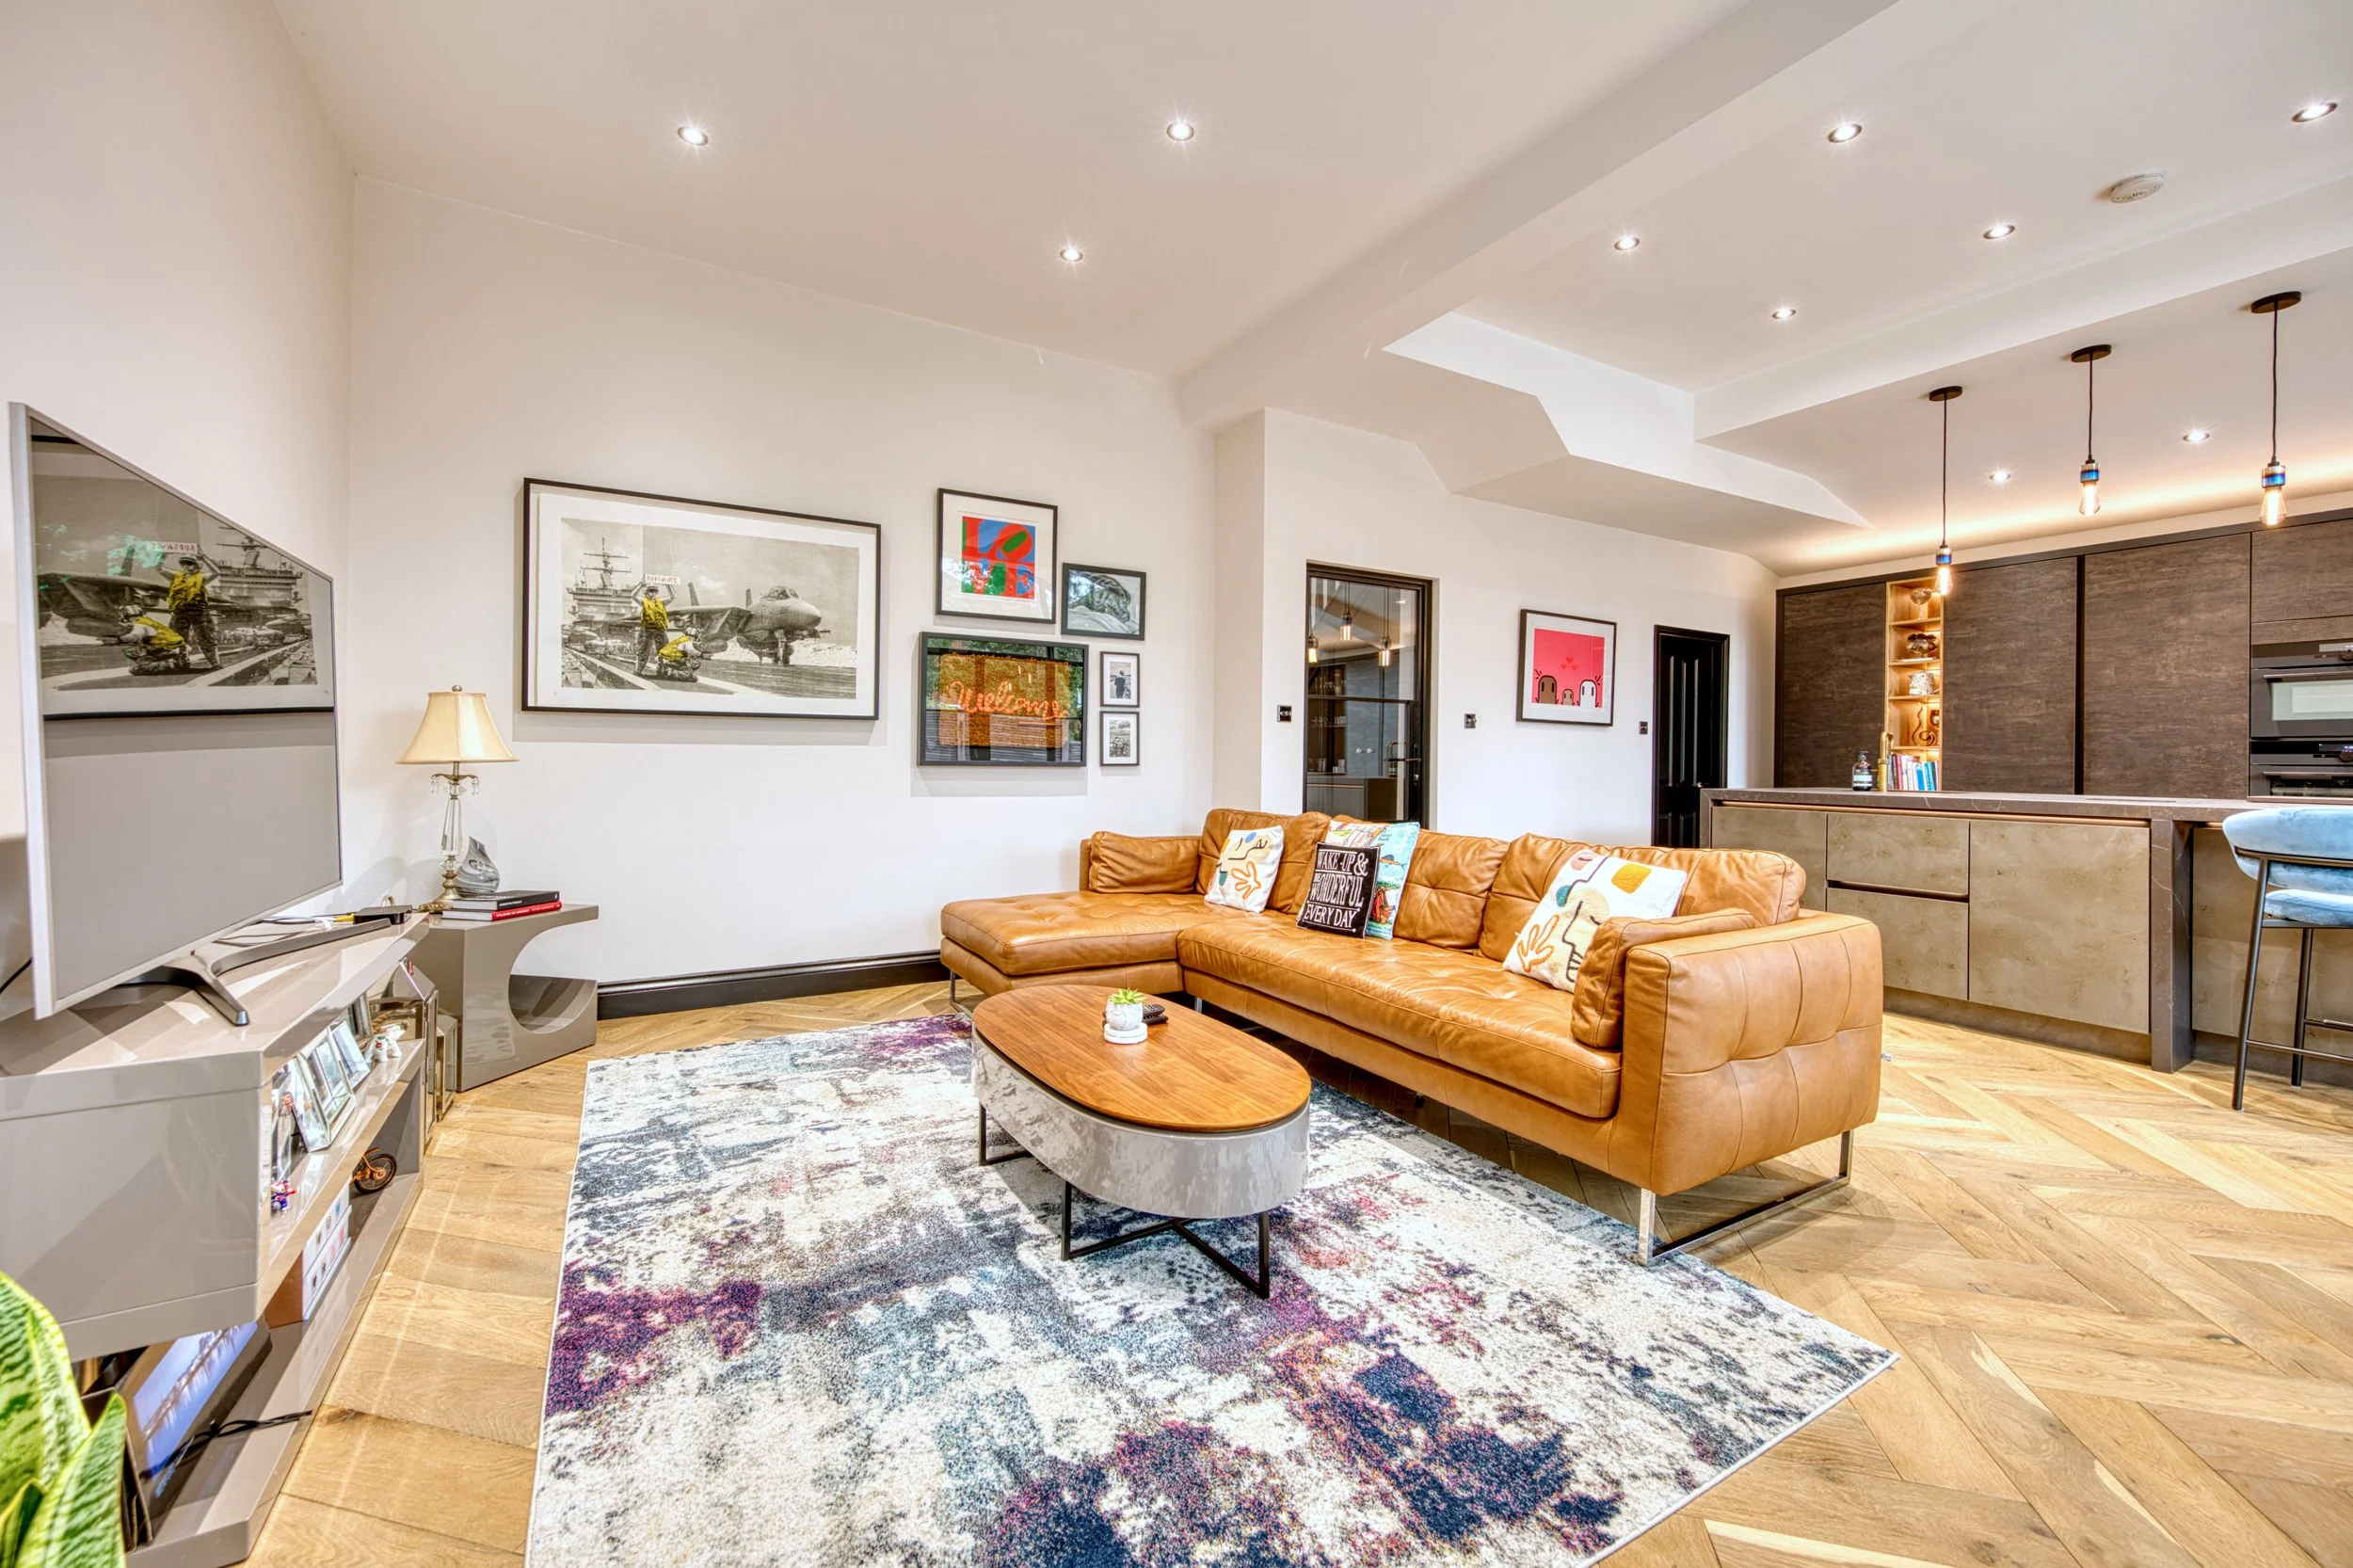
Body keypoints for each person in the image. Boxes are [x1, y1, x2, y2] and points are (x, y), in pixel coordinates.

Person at [165, 554, 219, 671]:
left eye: (189, 563)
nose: (186, 566)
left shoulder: (202, 577)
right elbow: (159, 568)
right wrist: (162, 556)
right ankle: (181, 663)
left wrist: (204, 558)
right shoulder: (175, 576)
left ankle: (215, 663)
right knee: (178, 639)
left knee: (206, 638)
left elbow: (216, 573)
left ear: (196, 565)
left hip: (199, 611)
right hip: (180, 611)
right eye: (183, 563)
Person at [120, 608, 188, 672]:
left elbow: (135, 636)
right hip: (177, 648)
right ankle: (173, 661)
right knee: (144, 648)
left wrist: (119, 639)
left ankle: (168, 664)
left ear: (125, 617)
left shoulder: (140, 624)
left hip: (170, 650)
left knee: (131, 655)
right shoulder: (148, 621)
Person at [634, 584, 670, 673]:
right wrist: (641, 585)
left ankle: (663, 669)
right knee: (643, 649)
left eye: (655, 591)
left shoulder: (661, 602)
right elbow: (633, 596)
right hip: (647, 629)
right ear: (646, 592)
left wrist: (669, 586)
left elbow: (673, 597)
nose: (653, 593)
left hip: (660, 628)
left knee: (664, 650)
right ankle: (638, 670)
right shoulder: (643, 601)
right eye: (651, 591)